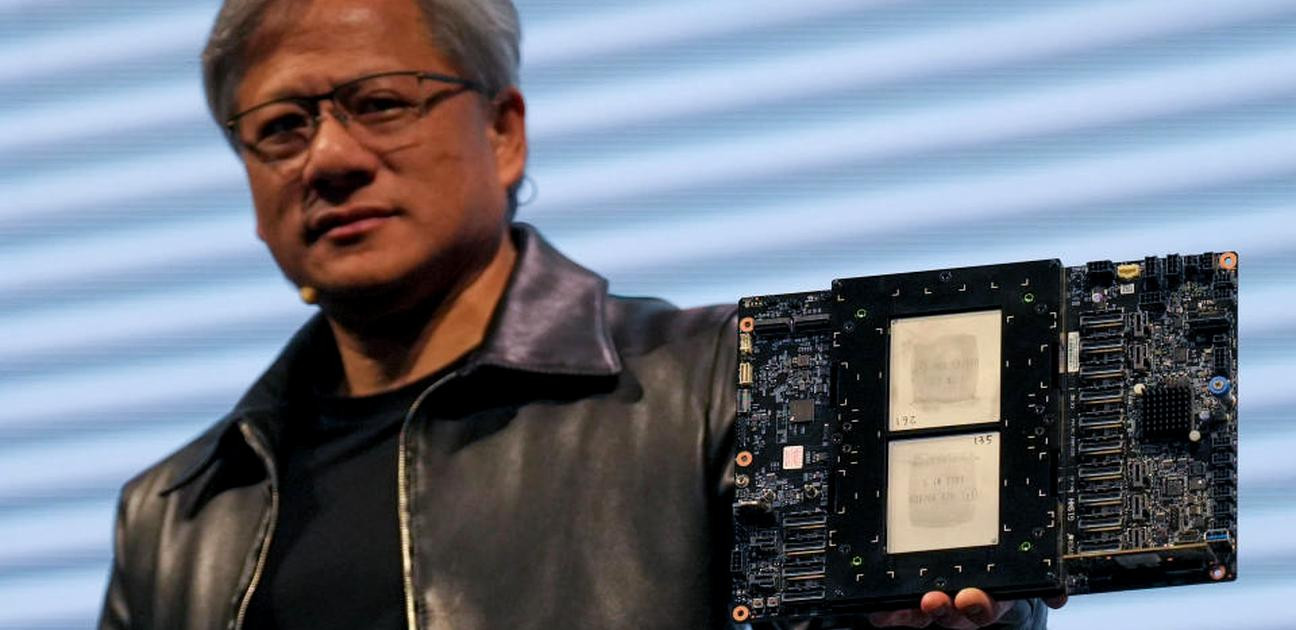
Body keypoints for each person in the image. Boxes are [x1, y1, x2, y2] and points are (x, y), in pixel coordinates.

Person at [99, 0, 1060, 627]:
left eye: (381, 103)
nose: (330, 159)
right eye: (280, 128)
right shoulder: (176, 514)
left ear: (504, 132)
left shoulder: (720, 382)